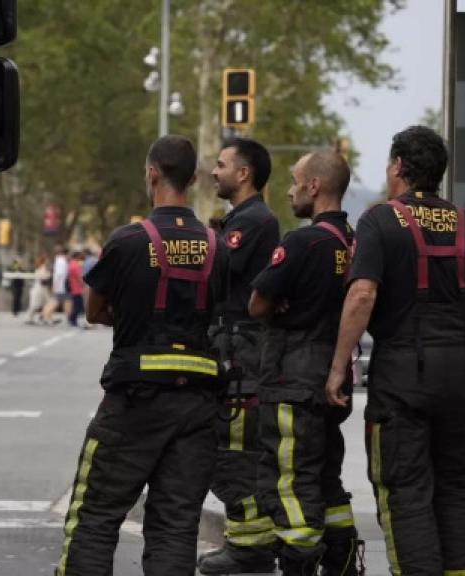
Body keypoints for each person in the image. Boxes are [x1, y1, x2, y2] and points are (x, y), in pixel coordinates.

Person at [325, 126, 465, 576]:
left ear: (399, 167)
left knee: (406, 490)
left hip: (403, 377)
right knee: (457, 488)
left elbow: (361, 295)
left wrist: (339, 367)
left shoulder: (380, 221)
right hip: (459, 375)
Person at [56, 135, 229, 576]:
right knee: (175, 526)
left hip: (135, 399)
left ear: (152, 174)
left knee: (95, 517)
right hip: (198, 405)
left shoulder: (128, 241)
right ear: (192, 179)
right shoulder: (217, 247)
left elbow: (94, 309)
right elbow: (218, 312)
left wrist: (135, 318)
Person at [246, 149, 361, 576]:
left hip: (293, 378)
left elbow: (258, 304)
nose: (291, 189)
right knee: (325, 477)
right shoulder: (354, 241)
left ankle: (299, 562)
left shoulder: (302, 241)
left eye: (296, 181)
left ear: (315, 186)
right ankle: (344, 561)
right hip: (334, 376)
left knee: (289, 479)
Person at [197, 137, 282, 575]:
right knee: (227, 450)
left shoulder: (254, 221)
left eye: (221, 164)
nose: (214, 171)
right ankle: (248, 542)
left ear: (243, 173)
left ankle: (250, 549)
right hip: (233, 349)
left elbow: (215, 271)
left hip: (242, 355)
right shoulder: (242, 218)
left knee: (235, 452)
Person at [42, 245, 69, 324]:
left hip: (59, 285)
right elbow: (59, 275)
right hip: (60, 285)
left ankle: (46, 316)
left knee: (55, 301)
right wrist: (55, 286)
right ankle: (46, 316)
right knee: (55, 301)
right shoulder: (61, 261)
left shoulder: (58, 260)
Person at [25, 254, 52, 324]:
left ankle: (45, 317)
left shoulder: (43, 267)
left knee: (47, 303)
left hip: (43, 289)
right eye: (47, 260)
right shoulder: (42, 268)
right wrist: (49, 277)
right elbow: (43, 279)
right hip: (39, 289)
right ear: (44, 261)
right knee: (35, 305)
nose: (48, 261)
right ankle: (29, 318)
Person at [68, 250, 85, 327]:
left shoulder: (71, 264)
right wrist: (83, 284)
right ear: (77, 256)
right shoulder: (76, 265)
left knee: (76, 304)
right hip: (77, 288)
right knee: (78, 305)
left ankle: (72, 318)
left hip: (73, 287)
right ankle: (72, 319)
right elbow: (79, 277)